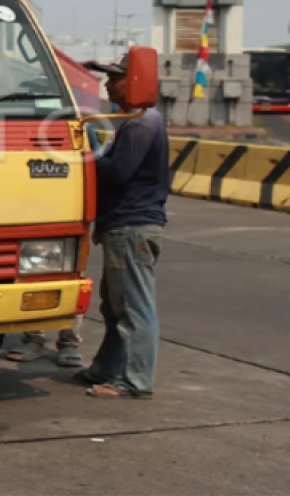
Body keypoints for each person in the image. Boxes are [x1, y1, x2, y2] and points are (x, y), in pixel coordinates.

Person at [75, 53, 170, 399]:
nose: (108, 84)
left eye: (115, 78)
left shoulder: (141, 123)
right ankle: (105, 369)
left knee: (132, 307)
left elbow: (118, 173)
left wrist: (89, 150)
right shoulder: (134, 120)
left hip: (133, 226)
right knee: (115, 306)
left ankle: (134, 381)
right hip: (124, 224)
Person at [4, 123, 104, 368]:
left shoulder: (81, 128)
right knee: (33, 279)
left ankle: (69, 343)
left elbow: (94, 168)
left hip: (66, 212)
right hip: (30, 211)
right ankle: (34, 339)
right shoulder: (17, 128)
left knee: (70, 277)